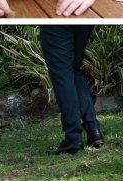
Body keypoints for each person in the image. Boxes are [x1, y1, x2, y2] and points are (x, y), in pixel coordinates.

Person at [40, 25, 104, 154]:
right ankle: (93, 130)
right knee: (73, 70)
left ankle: (73, 138)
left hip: (56, 21)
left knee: (62, 74)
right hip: (83, 18)